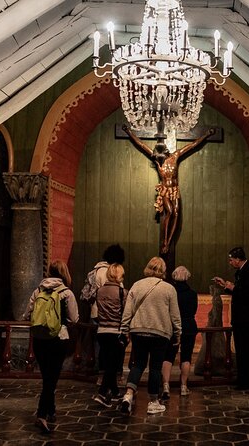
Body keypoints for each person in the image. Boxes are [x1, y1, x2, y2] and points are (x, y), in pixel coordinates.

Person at [123, 122, 214, 255]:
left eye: (161, 155)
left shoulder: (175, 156)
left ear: (165, 151)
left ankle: (169, 241)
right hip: (165, 189)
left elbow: (192, 145)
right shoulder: (157, 159)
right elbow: (141, 145)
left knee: (176, 213)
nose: (159, 158)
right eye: (157, 156)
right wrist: (129, 133)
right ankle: (164, 241)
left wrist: (206, 135)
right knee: (170, 212)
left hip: (175, 189)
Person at [22, 260, 79, 434]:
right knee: (51, 378)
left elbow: (26, 314)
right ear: (64, 273)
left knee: (47, 375)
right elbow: (74, 319)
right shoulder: (66, 293)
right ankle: (42, 415)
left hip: (39, 338)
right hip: (58, 338)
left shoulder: (38, 290)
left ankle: (51, 410)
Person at [119, 257, 182, 415]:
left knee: (138, 364)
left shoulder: (136, 285)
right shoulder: (169, 289)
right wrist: (178, 332)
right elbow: (175, 315)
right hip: (160, 333)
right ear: (163, 270)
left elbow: (128, 311)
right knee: (155, 367)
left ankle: (128, 395)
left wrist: (124, 329)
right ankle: (153, 401)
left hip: (138, 330)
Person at [213, 247, 249, 390]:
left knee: (246, 349)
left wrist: (233, 288)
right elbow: (239, 291)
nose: (230, 262)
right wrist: (226, 286)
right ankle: (242, 379)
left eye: (231, 259)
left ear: (238, 259)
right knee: (240, 349)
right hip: (240, 317)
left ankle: (247, 381)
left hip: (246, 317)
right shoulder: (241, 271)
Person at [80, 244, 125, 380]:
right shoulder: (113, 271)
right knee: (112, 347)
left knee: (97, 344)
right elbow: (118, 293)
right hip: (111, 314)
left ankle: (96, 369)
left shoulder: (95, 270)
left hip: (95, 311)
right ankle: (110, 374)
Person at [92, 263, 129, 407]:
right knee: (113, 365)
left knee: (108, 361)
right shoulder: (122, 292)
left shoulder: (99, 291)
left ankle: (114, 391)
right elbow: (126, 313)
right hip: (116, 331)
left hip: (102, 331)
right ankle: (102, 393)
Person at [161, 266, 198, 399]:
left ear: (174, 276)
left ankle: (166, 386)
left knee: (168, 356)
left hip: (172, 327)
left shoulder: (170, 292)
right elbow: (194, 310)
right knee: (186, 357)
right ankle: (183, 387)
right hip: (189, 326)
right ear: (187, 276)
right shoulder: (192, 293)